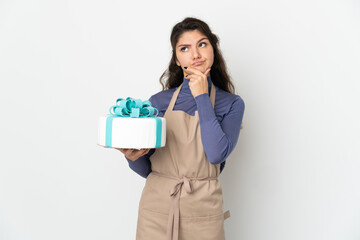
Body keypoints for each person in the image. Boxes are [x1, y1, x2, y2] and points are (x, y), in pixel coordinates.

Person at [117, 17, 245, 240]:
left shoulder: (232, 104)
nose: (195, 55)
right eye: (184, 48)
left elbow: (215, 155)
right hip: (156, 210)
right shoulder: (158, 102)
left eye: (202, 44)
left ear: (213, 50)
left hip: (203, 211)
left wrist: (202, 97)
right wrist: (131, 157)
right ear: (177, 59)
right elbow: (148, 170)